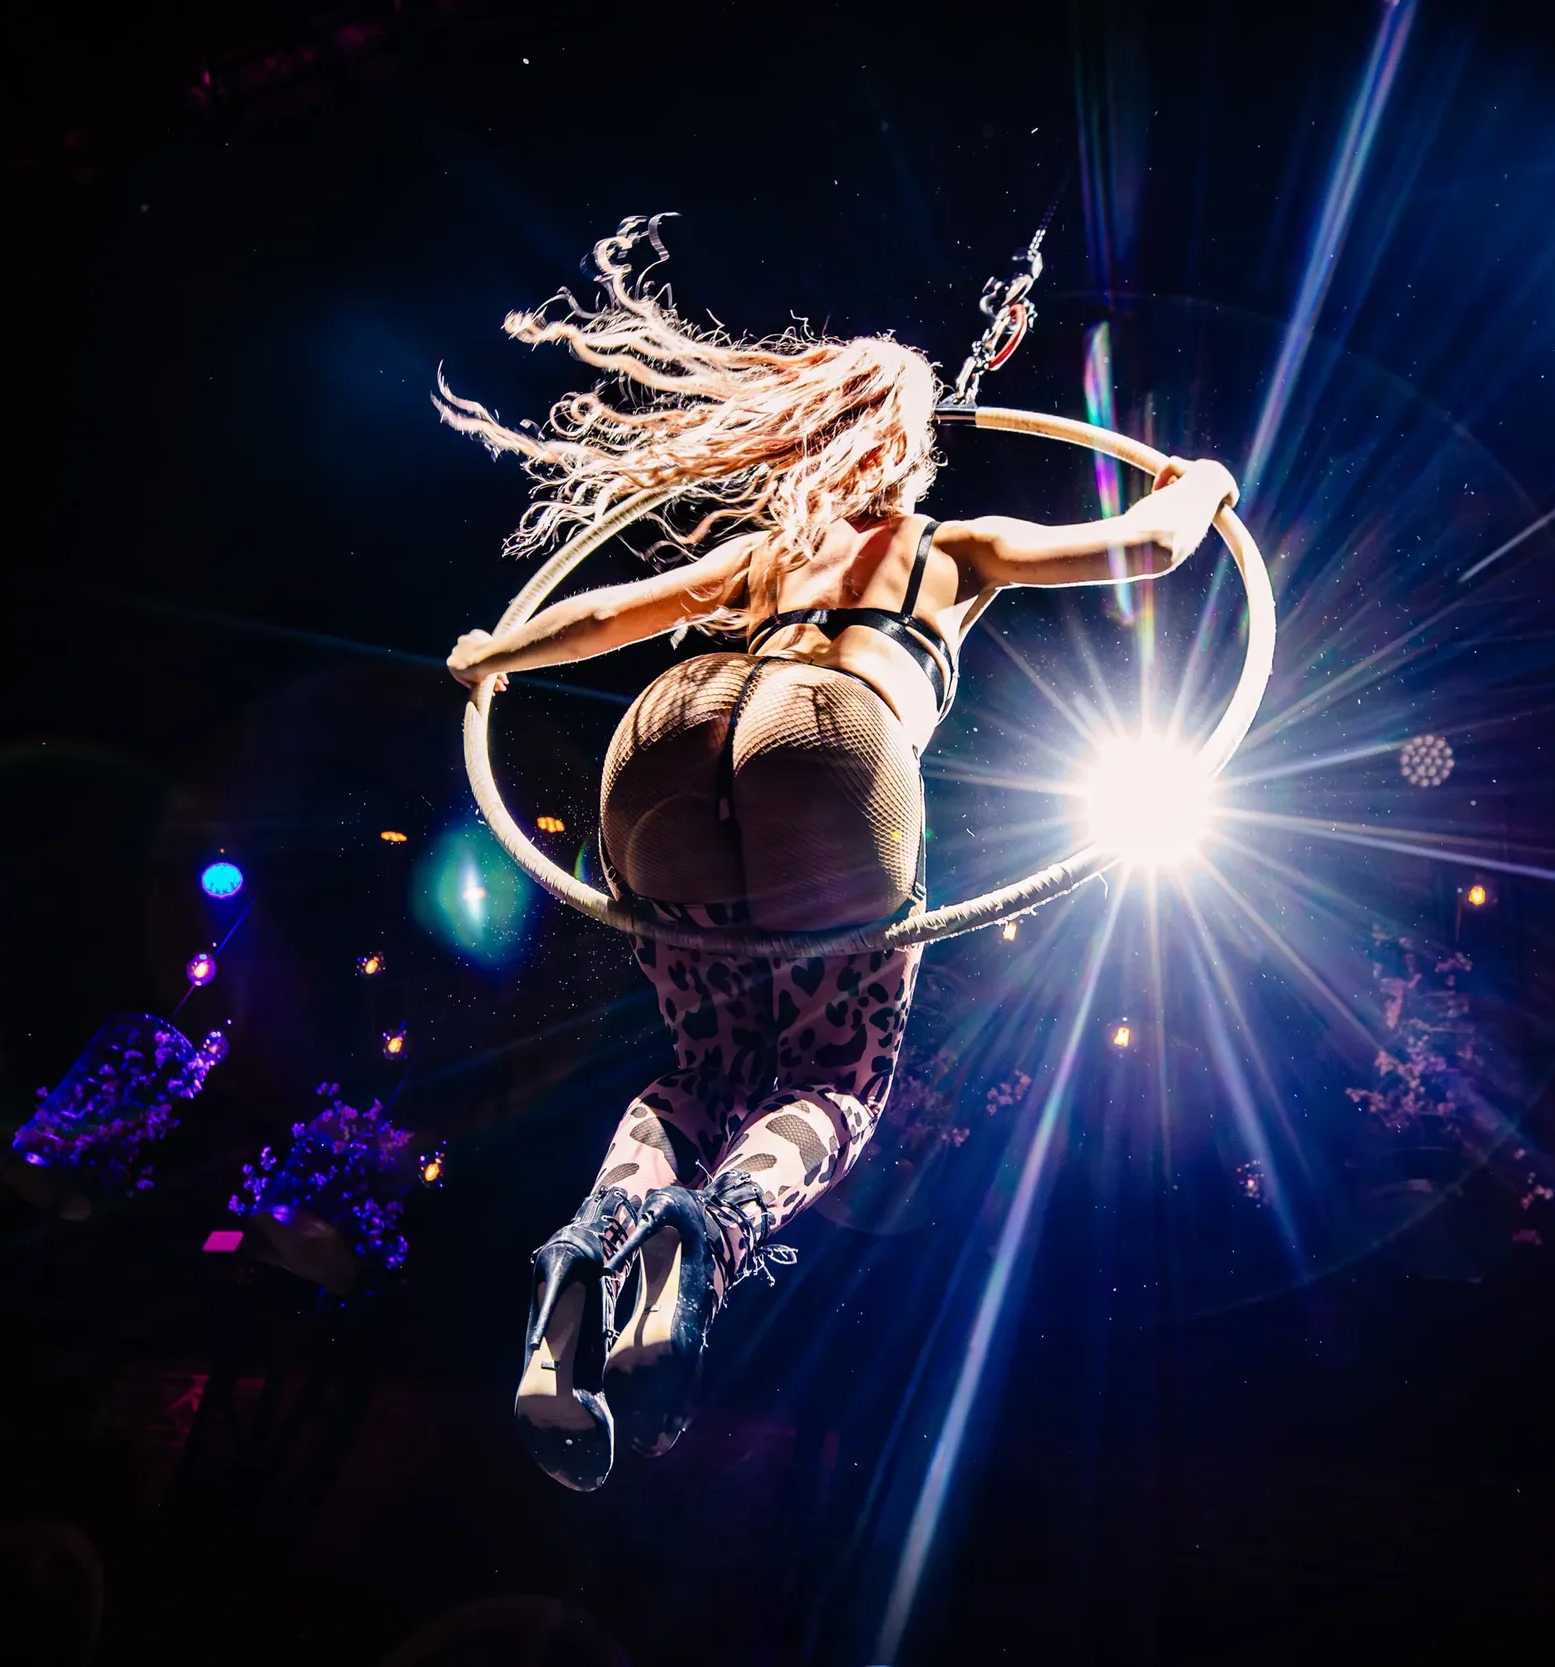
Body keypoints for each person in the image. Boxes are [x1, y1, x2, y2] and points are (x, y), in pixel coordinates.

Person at [439, 219, 1238, 1490]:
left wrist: (494, 654)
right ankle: (710, 1229)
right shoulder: (950, 546)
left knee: (701, 1060)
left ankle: (593, 1243)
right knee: (835, 1071)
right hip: (836, 742)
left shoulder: (768, 553)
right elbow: (1145, 547)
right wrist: (1202, 480)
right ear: (913, 454)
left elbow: (596, 616)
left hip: (675, 719)